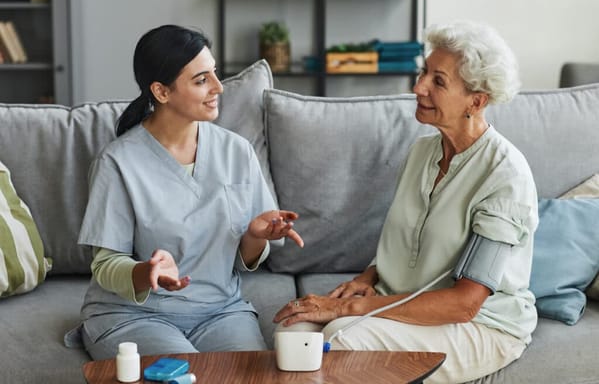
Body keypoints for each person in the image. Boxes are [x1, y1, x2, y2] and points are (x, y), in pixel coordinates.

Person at [273, 20, 538, 383]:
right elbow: (408, 239)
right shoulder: (422, 153)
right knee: (291, 333)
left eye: (438, 81)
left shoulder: (504, 175)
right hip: (400, 299)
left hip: (483, 326)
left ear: (476, 101)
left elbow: (466, 303)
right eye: (423, 73)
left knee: (343, 338)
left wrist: (347, 307)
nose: (418, 87)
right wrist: (369, 276)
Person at [70, 24, 303, 360]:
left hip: (221, 312)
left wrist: (255, 236)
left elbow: (245, 257)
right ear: (161, 92)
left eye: (215, 74)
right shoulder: (118, 162)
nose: (219, 88)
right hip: (134, 316)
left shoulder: (237, 151)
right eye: (201, 80)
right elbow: (106, 265)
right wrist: (146, 272)